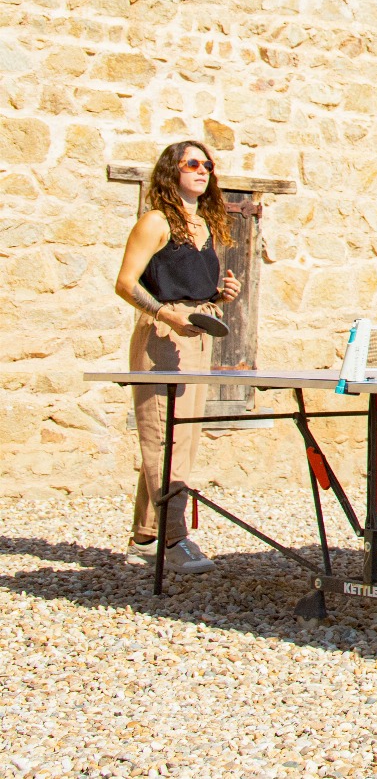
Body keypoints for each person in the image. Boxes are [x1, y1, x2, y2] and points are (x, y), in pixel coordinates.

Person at [112, 141, 240, 575]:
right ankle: (175, 540)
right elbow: (126, 283)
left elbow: (191, 284)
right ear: (172, 171)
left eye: (208, 164)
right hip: (164, 336)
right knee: (164, 437)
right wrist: (167, 313)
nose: (202, 170)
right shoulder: (155, 221)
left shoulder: (203, 224)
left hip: (198, 336)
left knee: (181, 438)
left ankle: (146, 536)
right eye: (192, 164)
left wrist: (220, 294)